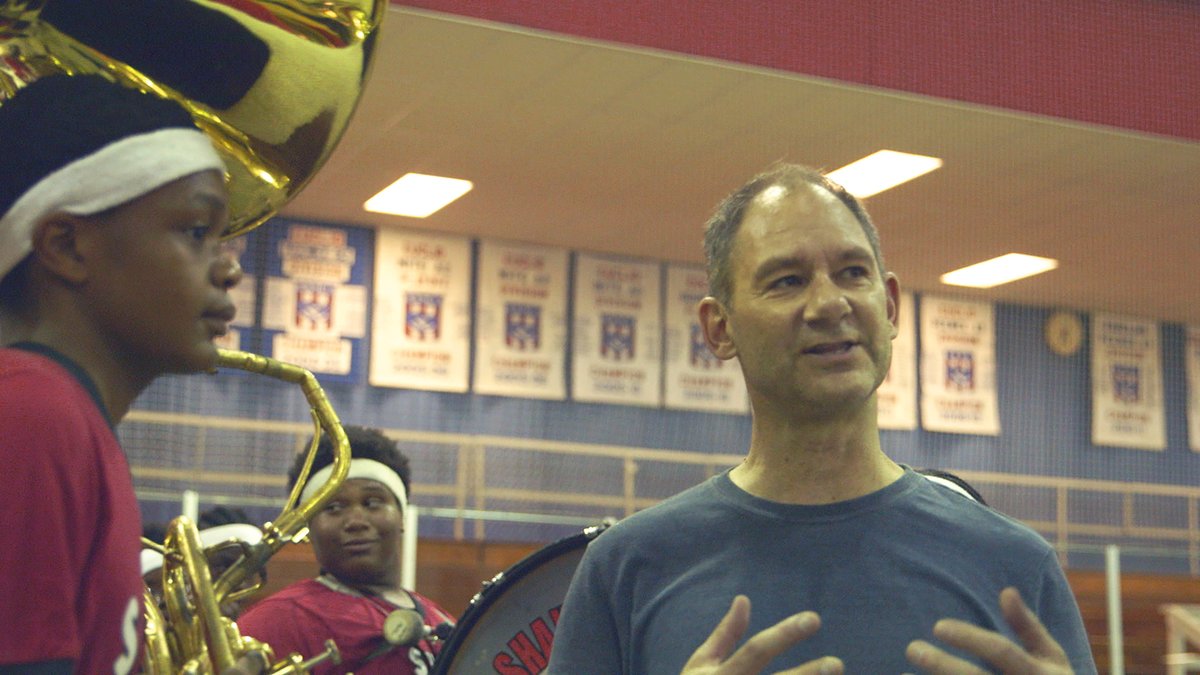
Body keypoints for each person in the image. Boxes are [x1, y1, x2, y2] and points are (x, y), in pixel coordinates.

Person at [546, 163, 1095, 674]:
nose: (830, 304)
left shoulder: (1017, 567)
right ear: (719, 328)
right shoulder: (626, 569)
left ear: (890, 305)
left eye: (853, 272)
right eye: (787, 280)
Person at [0, 74, 244, 674]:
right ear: (67, 246)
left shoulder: (67, 419)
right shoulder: (33, 417)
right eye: (195, 231)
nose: (230, 269)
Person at [237, 425, 456, 673]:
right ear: (310, 527)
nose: (356, 521)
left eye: (372, 502)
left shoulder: (446, 623)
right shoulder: (277, 621)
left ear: (402, 516)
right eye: (333, 507)